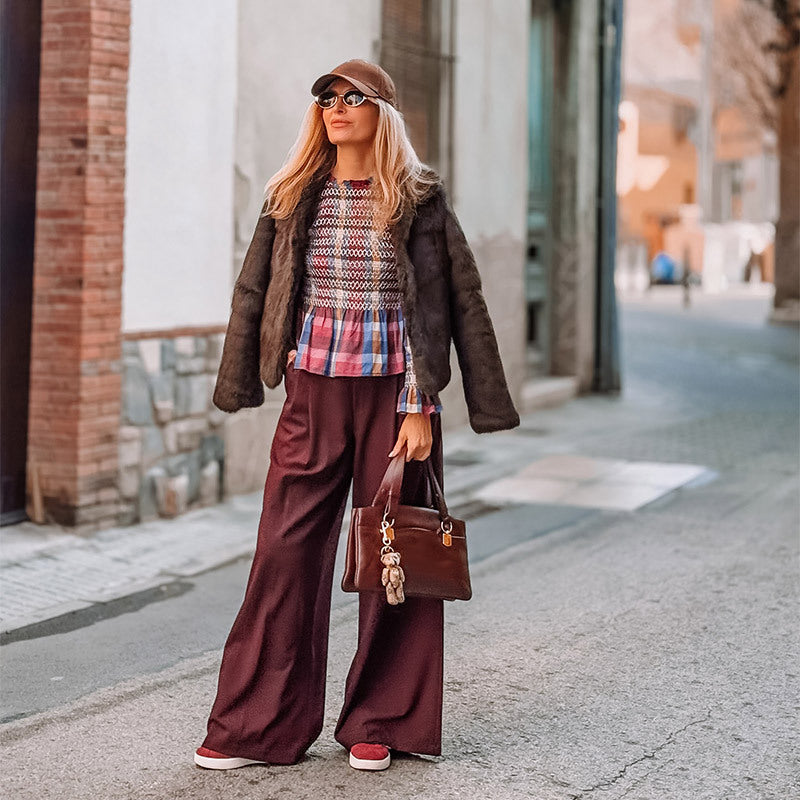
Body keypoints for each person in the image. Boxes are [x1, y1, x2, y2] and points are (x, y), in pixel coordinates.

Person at [194, 59, 519, 774]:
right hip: (312, 392)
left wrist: (421, 404)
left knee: (393, 551)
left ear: (383, 113)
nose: (336, 108)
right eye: (326, 99)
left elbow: (445, 303)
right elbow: (255, 290)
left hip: (394, 401)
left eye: (353, 98)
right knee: (283, 554)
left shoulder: (419, 199)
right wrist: (245, 379)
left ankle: (382, 721)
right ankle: (256, 726)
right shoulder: (290, 195)